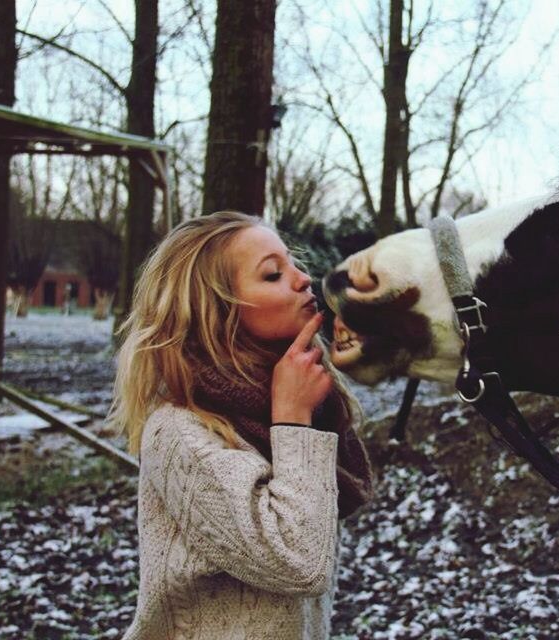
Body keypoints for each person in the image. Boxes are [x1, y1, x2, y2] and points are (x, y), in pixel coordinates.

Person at [108, 211, 374, 640]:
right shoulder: (178, 432)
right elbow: (299, 564)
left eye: (293, 263)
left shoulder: (285, 409)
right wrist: (293, 420)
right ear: (216, 313)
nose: (304, 279)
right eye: (272, 274)